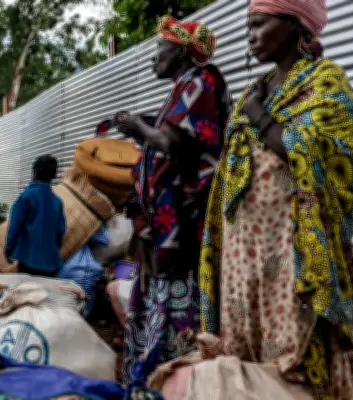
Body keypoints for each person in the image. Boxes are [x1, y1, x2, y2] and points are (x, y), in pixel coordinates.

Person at [199, 1, 353, 398]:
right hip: (241, 248)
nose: (251, 35)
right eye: (249, 26)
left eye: (260, 24)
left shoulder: (325, 80)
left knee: (289, 348)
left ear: (294, 25)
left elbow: (328, 157)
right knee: (243, 340)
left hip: (291, 246)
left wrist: (260, 117)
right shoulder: (254, 91)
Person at [115, 16, 230, 379]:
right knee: (157, 293)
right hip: (168, 223)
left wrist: (138, 127)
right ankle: (154, 373)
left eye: (160, 48)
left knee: (181, 299)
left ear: (180, 52)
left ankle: (177, 377)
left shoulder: (200, 82)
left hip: (184, 224)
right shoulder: (184, 87)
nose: (154, 57)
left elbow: (172, 143)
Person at [4, 155, 67, 278]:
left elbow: (14, 227)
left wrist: (9, 249)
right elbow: (60, 231)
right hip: (50, 264)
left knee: (27, 290)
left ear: (34, 173)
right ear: (53, 176)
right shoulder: (57, 201)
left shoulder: (26, 197)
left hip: (27, 261)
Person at [56, 226, 109, 317]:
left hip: (61, 268)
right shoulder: (90, 223)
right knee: (80, 310)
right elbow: (103, 240)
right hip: (81, 271)